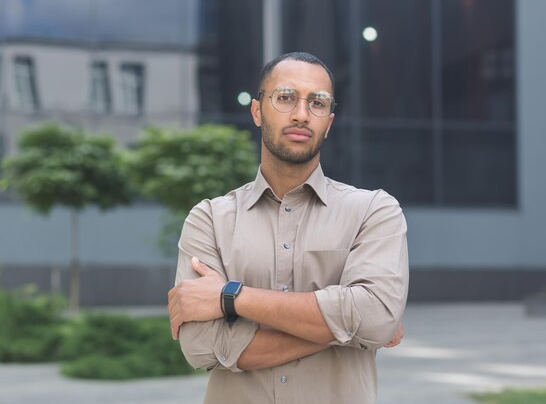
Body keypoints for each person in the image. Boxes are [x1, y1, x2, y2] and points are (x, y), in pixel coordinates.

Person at [168, 51, 409, 404]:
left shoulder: (373, 211)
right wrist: (349, 326)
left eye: (317, 102)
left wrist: (230, 297)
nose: (301, 114)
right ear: (256, 111)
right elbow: (201, 346)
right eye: (285, 98)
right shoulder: (209, 219)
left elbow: (374, 318)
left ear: (329, 121)